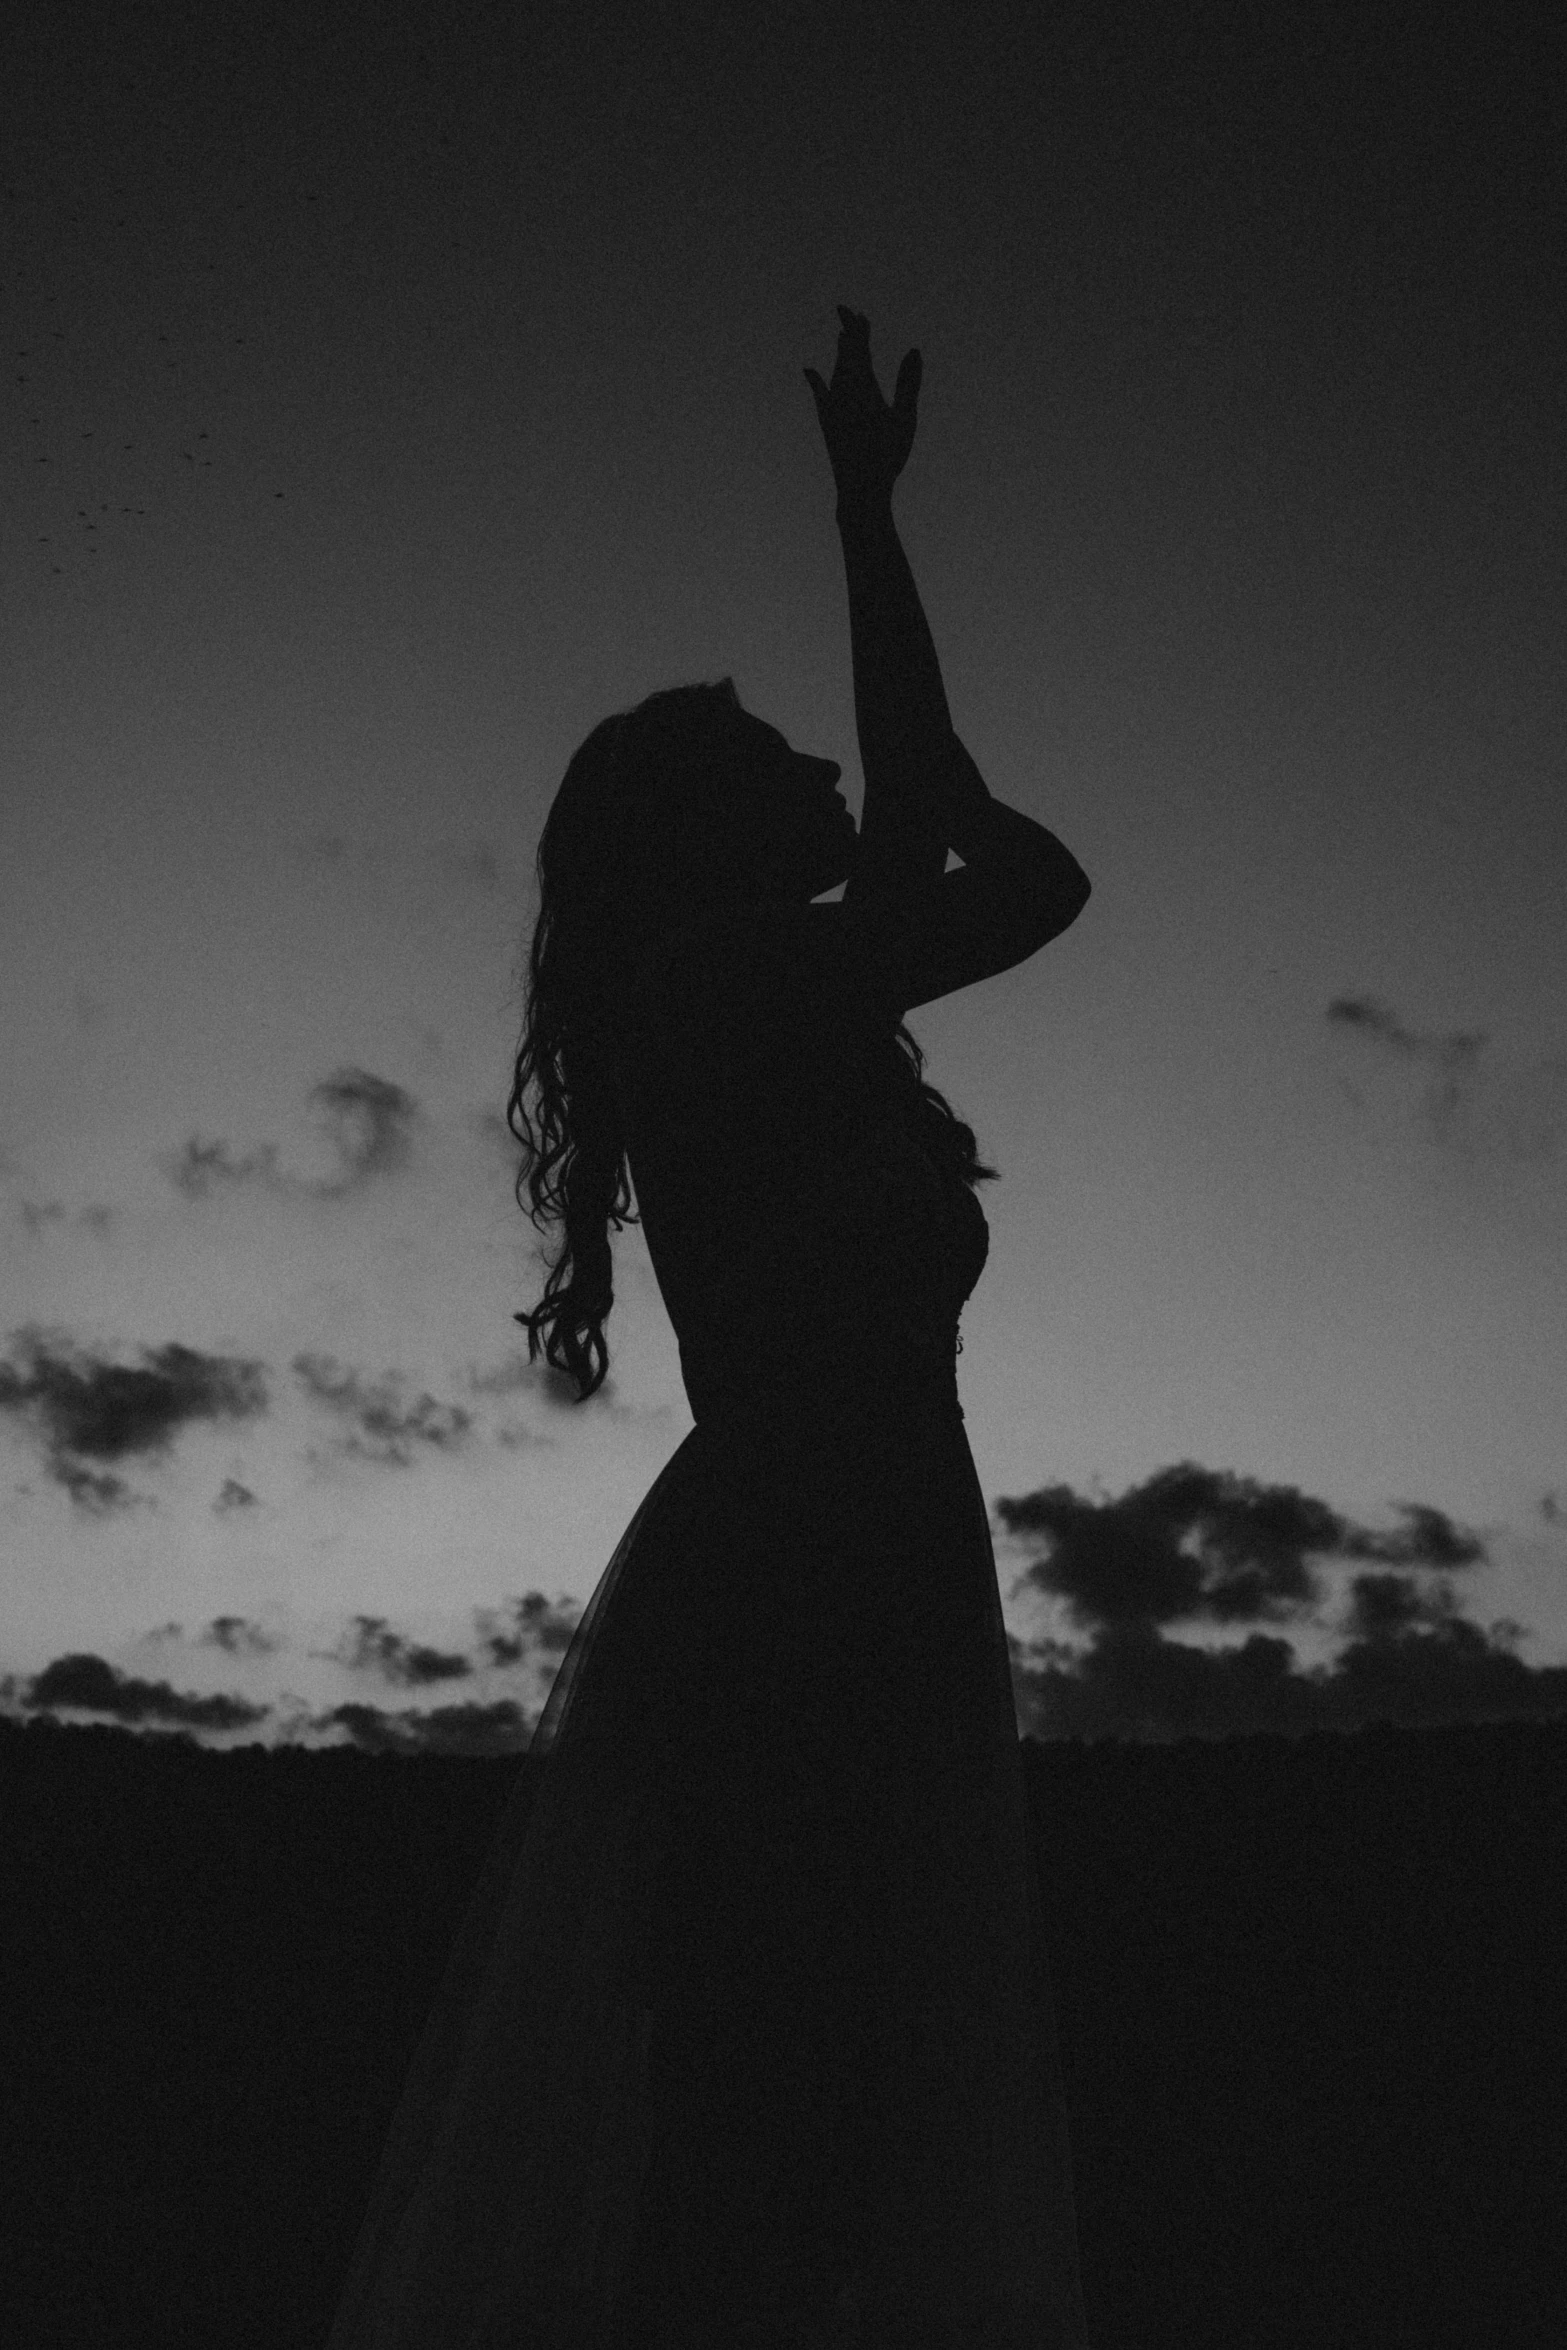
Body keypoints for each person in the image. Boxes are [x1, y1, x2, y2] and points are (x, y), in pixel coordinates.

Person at [323, 307, 1093, 2350]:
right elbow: (1010, 869)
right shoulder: (732, 982)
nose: (814, 759)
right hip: (805, 1581)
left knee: (814, 2133)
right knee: (767, 2131)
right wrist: (866, 532)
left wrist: (867, 518)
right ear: (700, 826)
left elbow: (986, 862)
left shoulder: (782, 992)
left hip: (871, 1558)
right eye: (768, 750)